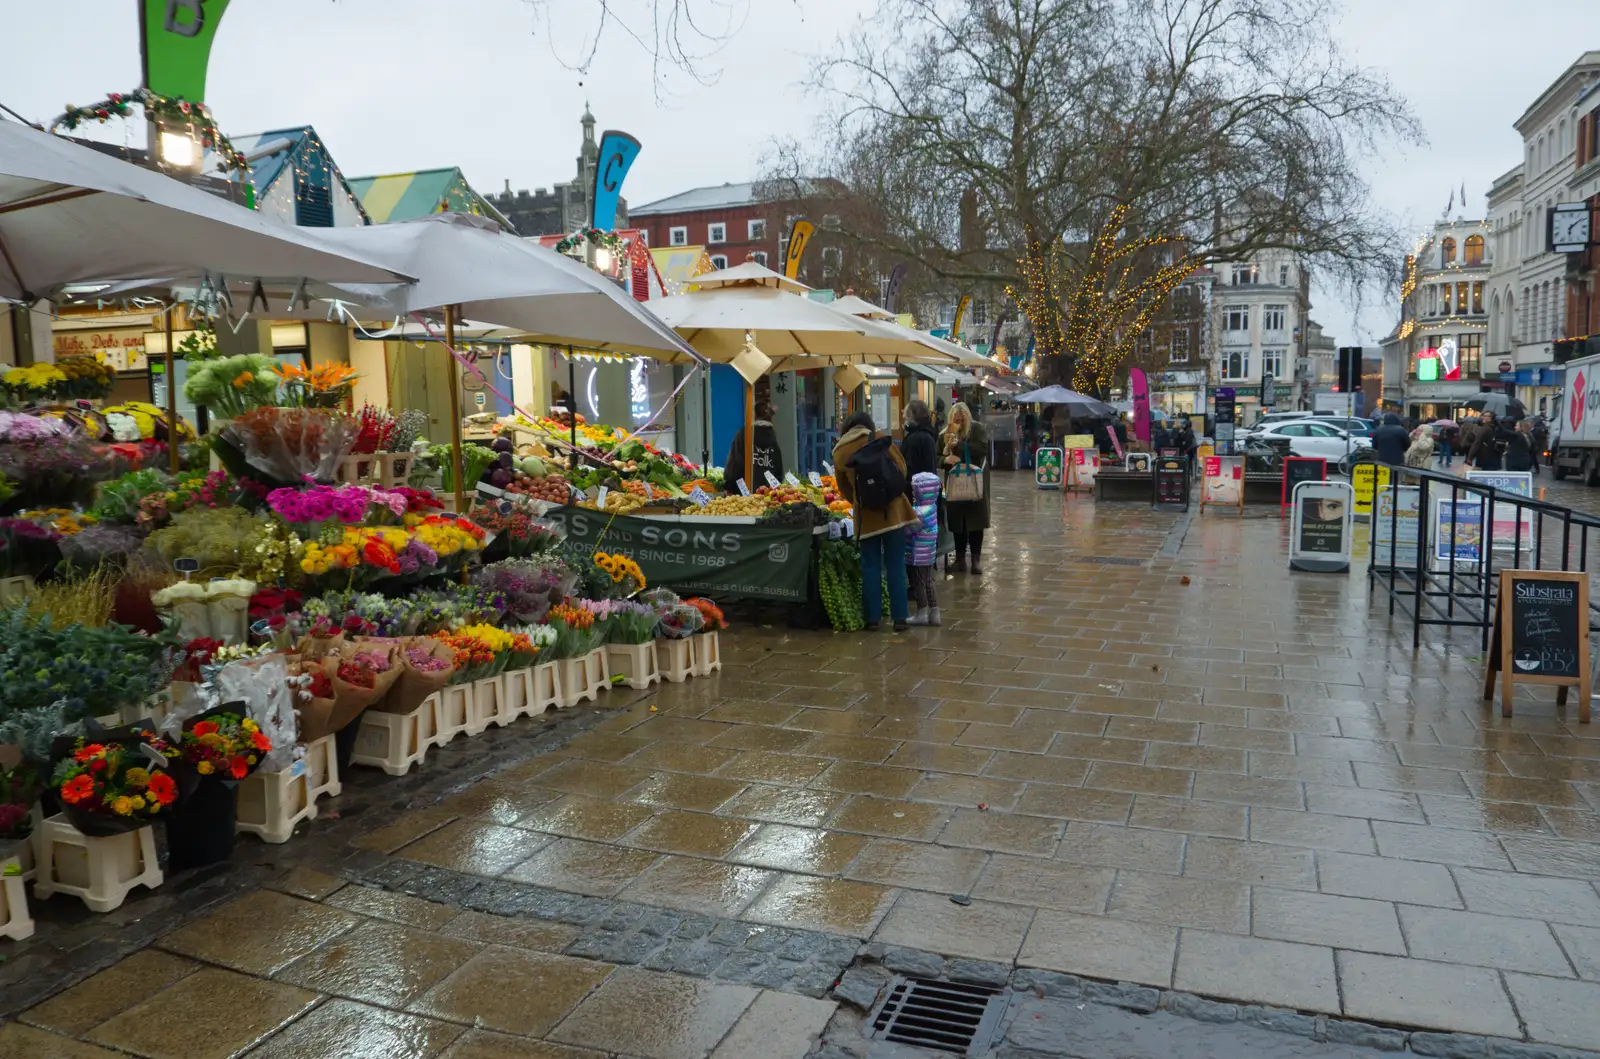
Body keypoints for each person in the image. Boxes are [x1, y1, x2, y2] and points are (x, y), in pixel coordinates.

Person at [832, 411, 915, 631]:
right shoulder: (879, 437)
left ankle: (872, 619)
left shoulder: (840, 451)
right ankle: (900, 618)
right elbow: (902, 468)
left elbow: (843, 488)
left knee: (870, 566)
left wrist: (859, 501)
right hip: (894, 512)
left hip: (867, 517)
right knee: (895, 564)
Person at [941, 401, 991, 574]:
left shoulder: (977, 429)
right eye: (956, 419)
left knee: (975, 521)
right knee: (957, 523)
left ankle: (976, 560)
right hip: (955, 484)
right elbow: (937, 454)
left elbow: (982, 449)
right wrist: (945, 459)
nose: (959, 422)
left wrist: (959, 445)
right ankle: (960, 559)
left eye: (961, 419)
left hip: (974, 482)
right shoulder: (946, 432)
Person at [722, 397, 784, 492]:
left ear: (753, 415)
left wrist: (729, 485)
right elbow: (778, 469)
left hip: (744, 493)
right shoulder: (773, 438)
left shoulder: (744, 434)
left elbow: (734, 465)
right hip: (768, 493)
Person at [906, 471, 942, 626]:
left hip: (917, 553)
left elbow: (909, 530)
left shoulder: (918, 512)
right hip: (928, 552)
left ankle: (922, 612)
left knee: (919, 582)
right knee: (929, 581)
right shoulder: (932, 507)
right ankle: (935, 612)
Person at [901, 400, 940, 477]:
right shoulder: (928, 435)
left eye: (905, 415)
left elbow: (908, 467)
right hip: (928, 484)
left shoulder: (914, 439)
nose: (903, 416)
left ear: (912, 417)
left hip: (916, 485)